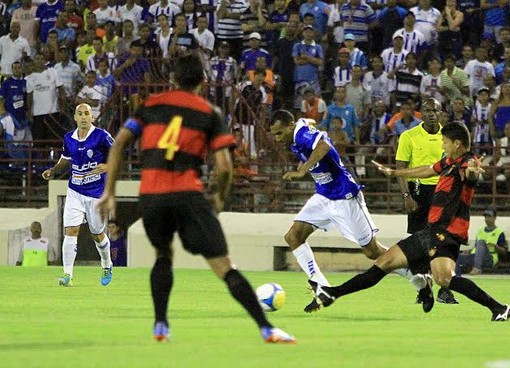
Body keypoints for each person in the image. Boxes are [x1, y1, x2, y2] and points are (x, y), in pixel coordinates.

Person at [97, 54, 295, 344]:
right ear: (203, 82)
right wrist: (218, 198)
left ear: (173, 79)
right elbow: (225, 167)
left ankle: (161, 326)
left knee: (163, 255)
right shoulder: (209, 112)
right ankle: (267, 328)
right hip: (186, 194)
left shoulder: (150, 106)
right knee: (223, 265)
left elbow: (119, 143)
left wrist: (110, 191)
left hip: (151, 195)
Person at [309, 122, 510, 321]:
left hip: (447, 232)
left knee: (444, 279)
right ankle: (332, 293)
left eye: (444, 141)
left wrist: (473, 171)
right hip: (432, 230)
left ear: (457, 144)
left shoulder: (466, 163)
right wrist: (395, 173)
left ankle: (499, 308)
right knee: (385, 261)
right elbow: (426, 169)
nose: (442, 145)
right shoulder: (448, 162)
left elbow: (471, 176)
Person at [269, 110, 418, 313]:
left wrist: (302, 170)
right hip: (323, 195)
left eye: (279, 133)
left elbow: (324, 145)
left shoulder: (301, 134)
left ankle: (415, 275)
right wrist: (316, 131)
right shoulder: (301, 128)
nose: (277, 139)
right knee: (293, 237)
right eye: (274, 135)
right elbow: (310, 122)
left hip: (344, 196)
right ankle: (321, 287)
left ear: (289, 126)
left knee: (372, 251)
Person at [41, 104, 114, 287]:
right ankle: (67, 274)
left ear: (92, 117)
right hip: (75, 191)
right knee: (71, 231)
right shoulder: (69, 138)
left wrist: (107, 166)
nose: (83, 117)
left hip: (97, 192)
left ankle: (106, 264)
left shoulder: (101, 136)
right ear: (75, 117)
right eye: (80, 114)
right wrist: (54, 170)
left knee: (97, 234)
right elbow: (66, 159)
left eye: (86, 113)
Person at [395, 98, 458, 305]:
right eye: (427, 110)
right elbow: (401, 167)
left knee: (444, 240)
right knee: (420, 242)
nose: (431, 114)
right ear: (421, 113)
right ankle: (425, 289)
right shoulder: (409, 136)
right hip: (418, 189)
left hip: (443, 190)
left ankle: (445, 288)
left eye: (435, 110)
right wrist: (407, 196)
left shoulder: (449, 136)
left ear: (441, 113)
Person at [456, 206, 508, 275]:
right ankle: (456, 277)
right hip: (475, 256)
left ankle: (477, 268)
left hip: (490, 258)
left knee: (481, 242)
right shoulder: (480, 231)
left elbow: (504, 251)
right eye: (486, 217)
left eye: (489, 217)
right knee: (456, 257)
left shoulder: (499, 232)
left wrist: (495, 246)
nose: (487, 219)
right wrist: (468, 251)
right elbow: (476, 248)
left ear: (494, 218)